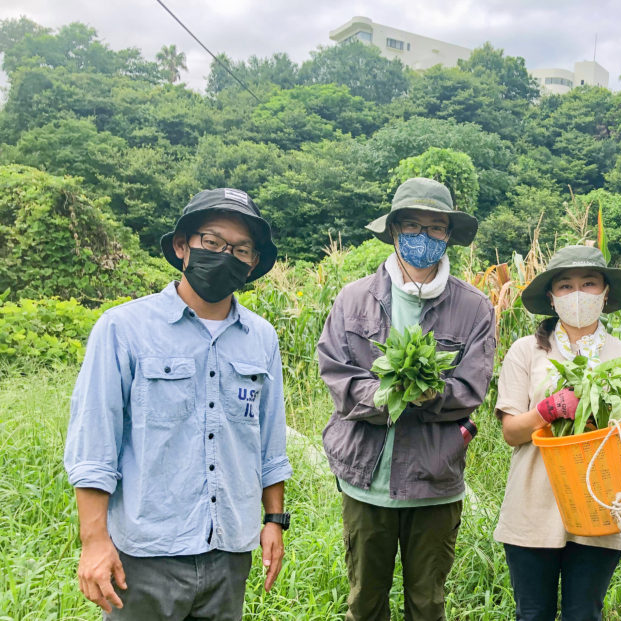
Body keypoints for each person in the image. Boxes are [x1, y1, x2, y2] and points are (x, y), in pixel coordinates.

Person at [64, 188, 293, 620]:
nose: (225, 255)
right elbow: (95, 445)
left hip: (230, 552)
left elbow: (269, 443)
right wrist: (94, 542)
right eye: (212, 241)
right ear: (182, 245)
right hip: (145, 557)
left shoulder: (261, 338)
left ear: (251, 263)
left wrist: (274, 521)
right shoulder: (124, 328)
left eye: (241, 249)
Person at [318, 177, 496, 621]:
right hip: (365, 480)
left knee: (427, 603)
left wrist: (431, 393)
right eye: (412, 225)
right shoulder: (354, 299)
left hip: (434, 482)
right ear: (395, 229)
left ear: (448, 235)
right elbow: (337, 375)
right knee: (365, 601)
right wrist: (388, 395)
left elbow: (471, 388)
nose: (423, 236)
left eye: (436, 228)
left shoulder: (474, 307)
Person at [493, 245, 621, 621]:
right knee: (532, 614)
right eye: (566, 286)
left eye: (588, 284)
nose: (578, 294)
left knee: (584, 613)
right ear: (551, 297)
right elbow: (511, 432)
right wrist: (548, 410)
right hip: (533, 505)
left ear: (605, 293)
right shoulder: (526, 352)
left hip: (601, 505)